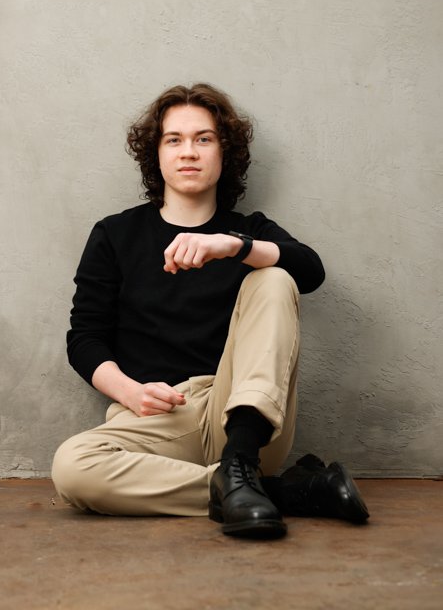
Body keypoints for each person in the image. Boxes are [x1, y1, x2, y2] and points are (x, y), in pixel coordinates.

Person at [52, 83, 369, 538]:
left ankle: (241, 464)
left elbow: (311, 271)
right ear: (156, 155)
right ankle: (282, 492)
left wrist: (232, 246)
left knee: (276, 275)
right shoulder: (115, 234)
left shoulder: (247, 231)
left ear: (225, 153)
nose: (189, 152)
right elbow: (83, 337)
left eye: (204, 139)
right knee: (72, 468)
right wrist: (128, 391)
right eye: (174, 140)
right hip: (157, 422)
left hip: (244, 418)